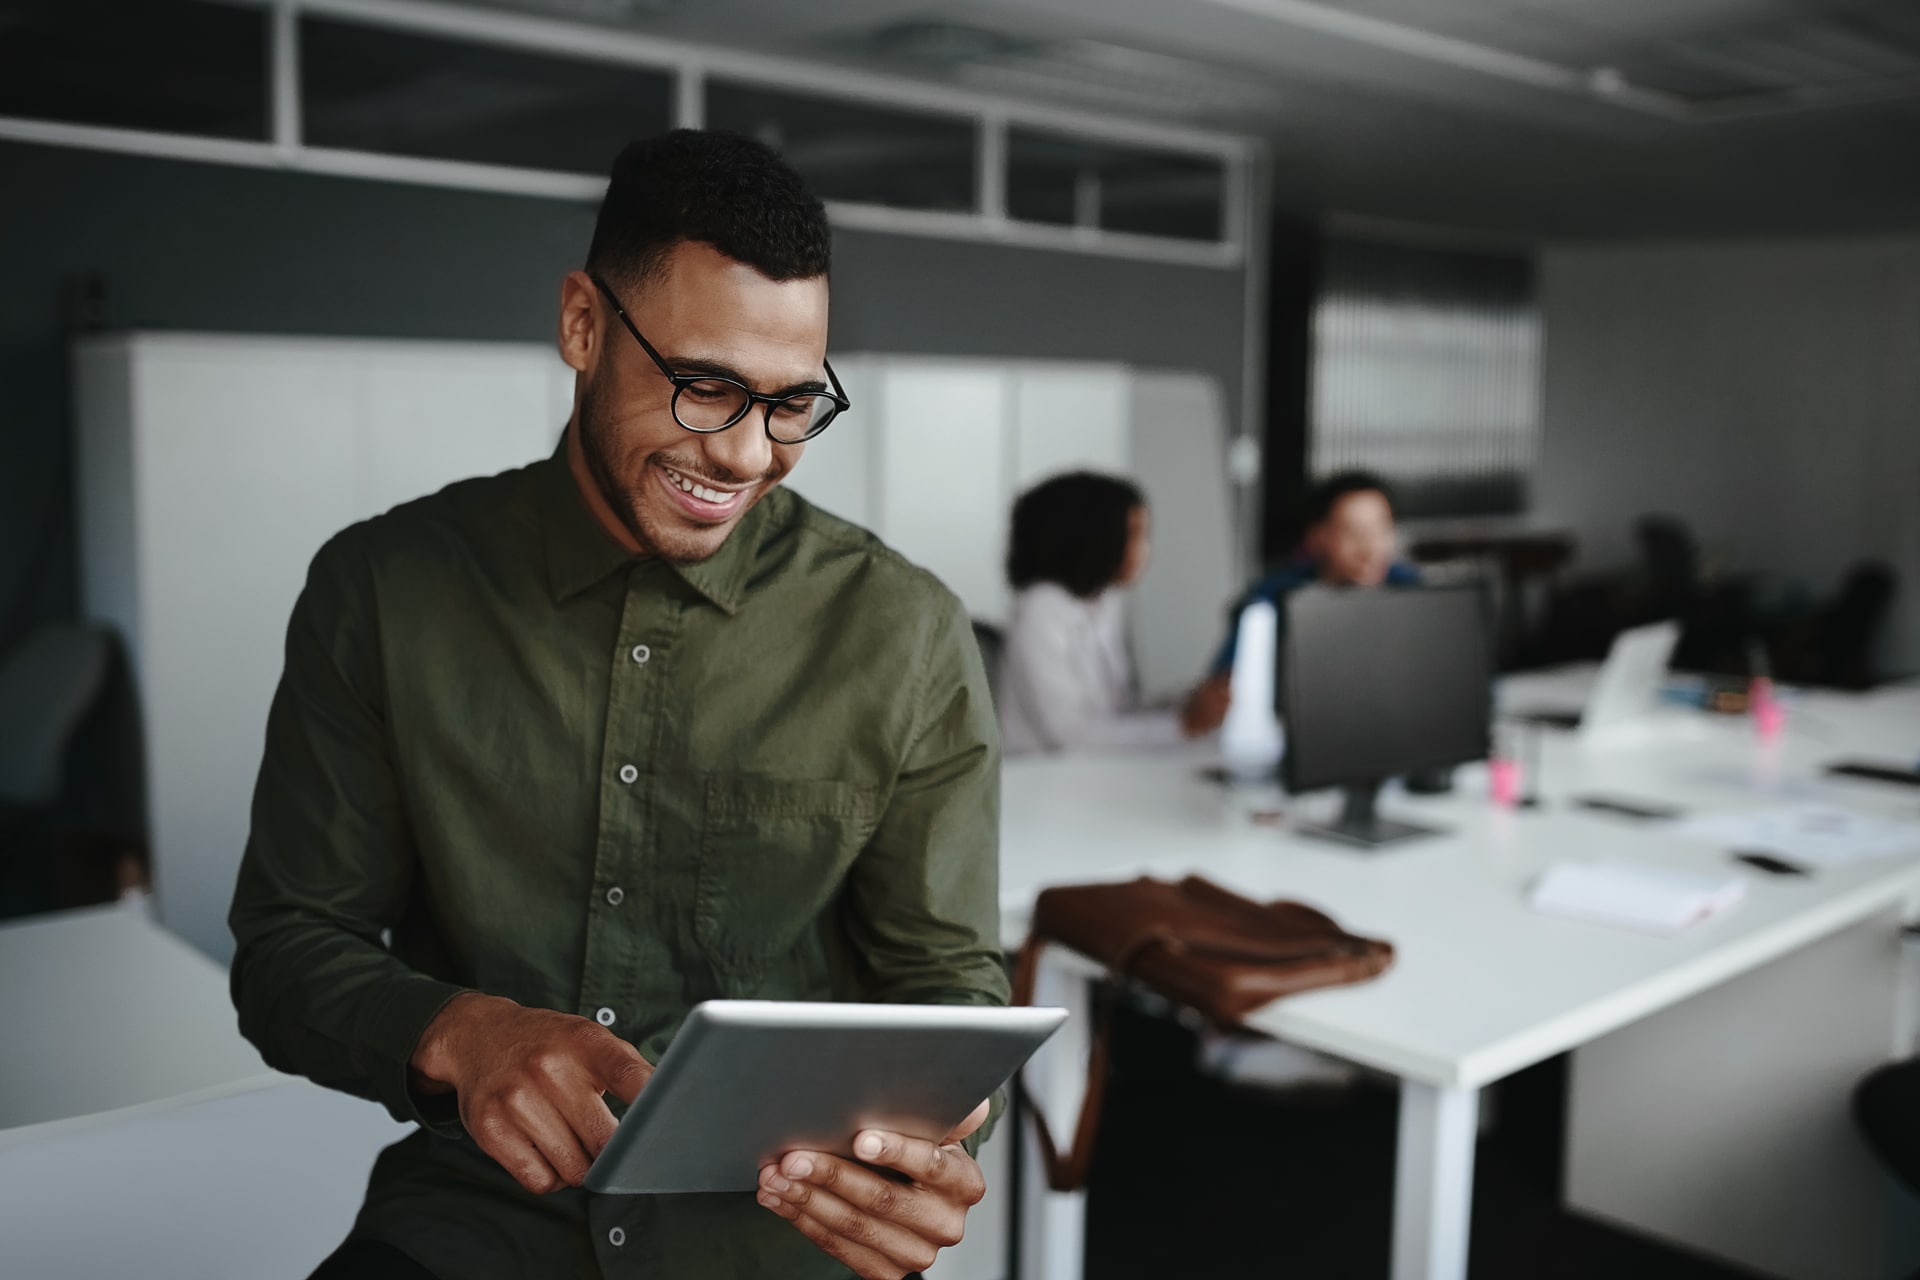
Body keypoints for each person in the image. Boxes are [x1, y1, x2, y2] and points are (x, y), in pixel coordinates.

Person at [229, 130, 1007, 1280]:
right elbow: (290, 948)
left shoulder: (908, 632)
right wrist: (459, 1029)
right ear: (583, 326)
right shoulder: (384, 589)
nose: (748, 454)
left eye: (794, 403)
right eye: (707, 388)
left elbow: (949, 990)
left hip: (774, 1236)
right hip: (477, 1223)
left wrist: (936, 1138)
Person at [1182, 469, 1420, 735]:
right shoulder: (1273, 598)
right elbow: (1219, 691)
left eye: (1380, 529)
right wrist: (1210, 702)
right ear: (1317, 537)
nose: (1369, 548)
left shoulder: (1410, 588)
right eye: (1352, 532)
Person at [997, 471, 1195, 754]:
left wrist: (1182, 705)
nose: (1144, 551)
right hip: (1043, 782)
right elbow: (1069, 735)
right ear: (1094, 537)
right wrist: (1182, 726)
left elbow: (1113, 714)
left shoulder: (1101, 606)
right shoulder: (1040, 611)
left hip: (1089, 774)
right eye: (1135, 535)